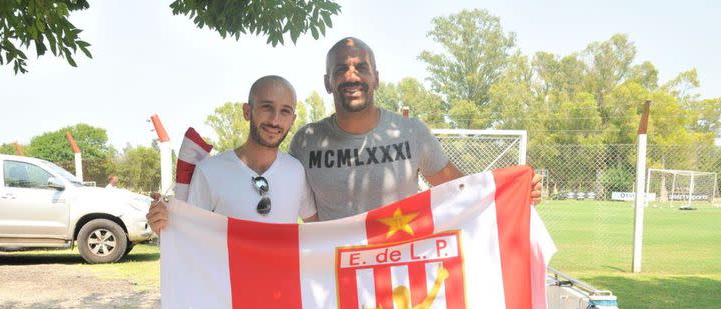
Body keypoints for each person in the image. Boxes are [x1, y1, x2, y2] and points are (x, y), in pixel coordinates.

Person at [287, 36, 542, 220]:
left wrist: (514, 191)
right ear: (327, 82)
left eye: (361, 68)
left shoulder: (411, 132)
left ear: (376, 78)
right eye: (341, 69)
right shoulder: (306, 142)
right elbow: (297, 209)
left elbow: (460, 187)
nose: (351, 76)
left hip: (399, 279)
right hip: (334, 280)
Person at [147, 75, 316, 233]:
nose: (275, 120)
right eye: (267, 107)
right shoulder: (210, 171)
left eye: (285, 111)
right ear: (247, 111)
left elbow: (319, 232)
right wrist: (164, 224)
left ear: (292, 120)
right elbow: (189, 235)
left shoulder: (296, 171)